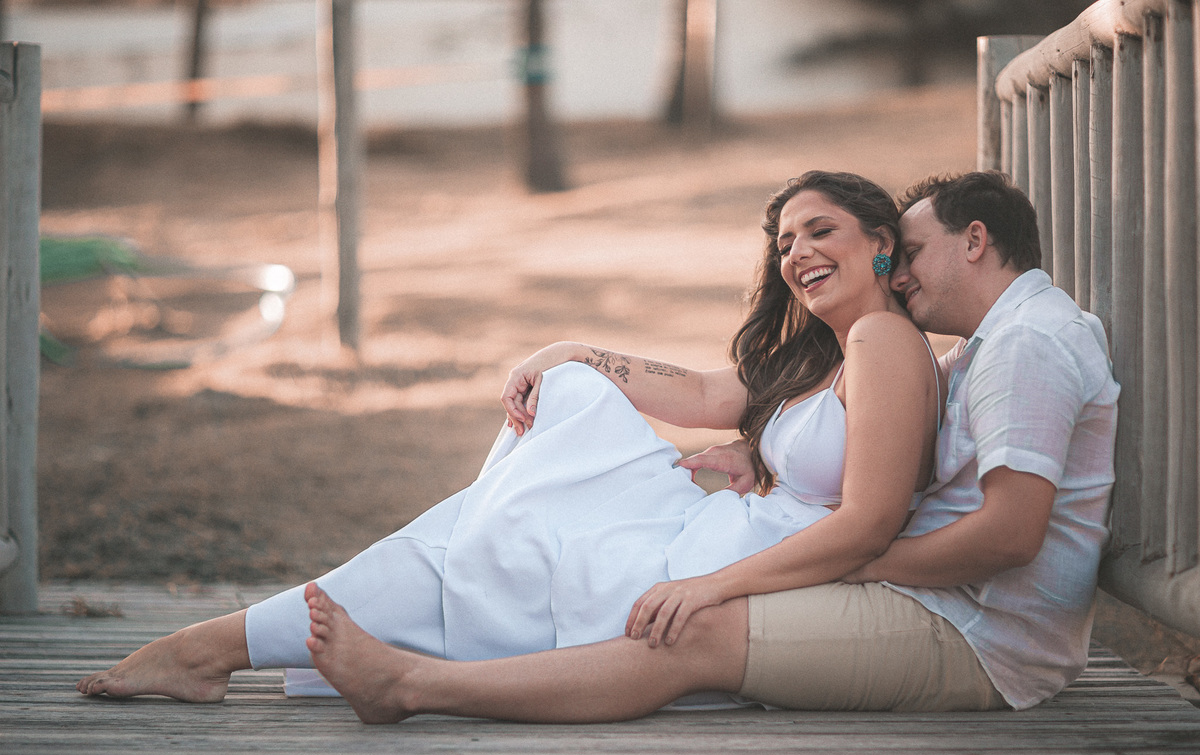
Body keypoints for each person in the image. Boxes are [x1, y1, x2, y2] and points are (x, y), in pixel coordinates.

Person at [76, 170, 944, 705]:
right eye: (786, 241)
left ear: (880, 243)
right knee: (543, 450)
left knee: (503, 544)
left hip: (742, 560)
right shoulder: (819, 352)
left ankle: (218, 648)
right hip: (724, 530)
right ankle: (222, 647)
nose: (796, 254)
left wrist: (717, 585)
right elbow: (705, 393)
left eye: (819, 231)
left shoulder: (882, 341)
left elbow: (866, 520)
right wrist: (567, 352)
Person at [293, 170, 1119, 723]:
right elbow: (854, 440)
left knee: (686, 630)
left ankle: (409, 683)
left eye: (910, 253)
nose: (900, 275)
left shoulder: (1025, 345)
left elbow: (1010, 535)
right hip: (940, 600)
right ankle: (421, 631)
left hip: (986, 641)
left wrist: (848, 562)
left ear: (975, 241)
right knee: (629, 574)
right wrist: (758, 456)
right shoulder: (980, 347)